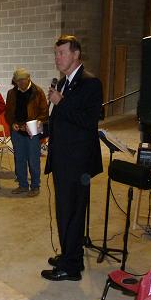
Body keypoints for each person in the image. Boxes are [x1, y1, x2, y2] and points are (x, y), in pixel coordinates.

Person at [42, 35, 103, 282]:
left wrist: (61, 102)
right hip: (63, 159)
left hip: (77, 163)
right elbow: (64, 121)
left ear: (76, 54)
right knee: (65, 211)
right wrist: (41, 129)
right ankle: (69, 254)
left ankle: (72, 266)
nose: (58, 58)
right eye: (56, 53)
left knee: (73, 213)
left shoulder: (90, 83)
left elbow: (88, 122)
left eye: (62, 53)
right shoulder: (65, 83)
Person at [5, 69, 48, 197]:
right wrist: (12, 123)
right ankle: (23, 185)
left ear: (28, 79)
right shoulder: (12, 93)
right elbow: (8, 112)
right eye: (17, 81)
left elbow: (44, 113)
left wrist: (31, 125)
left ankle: (35, 186)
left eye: (22, 80)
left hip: (32, 132)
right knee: (19, 160)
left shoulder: (38, 92)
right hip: (17, 132)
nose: (20, 83)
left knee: (33, 160)